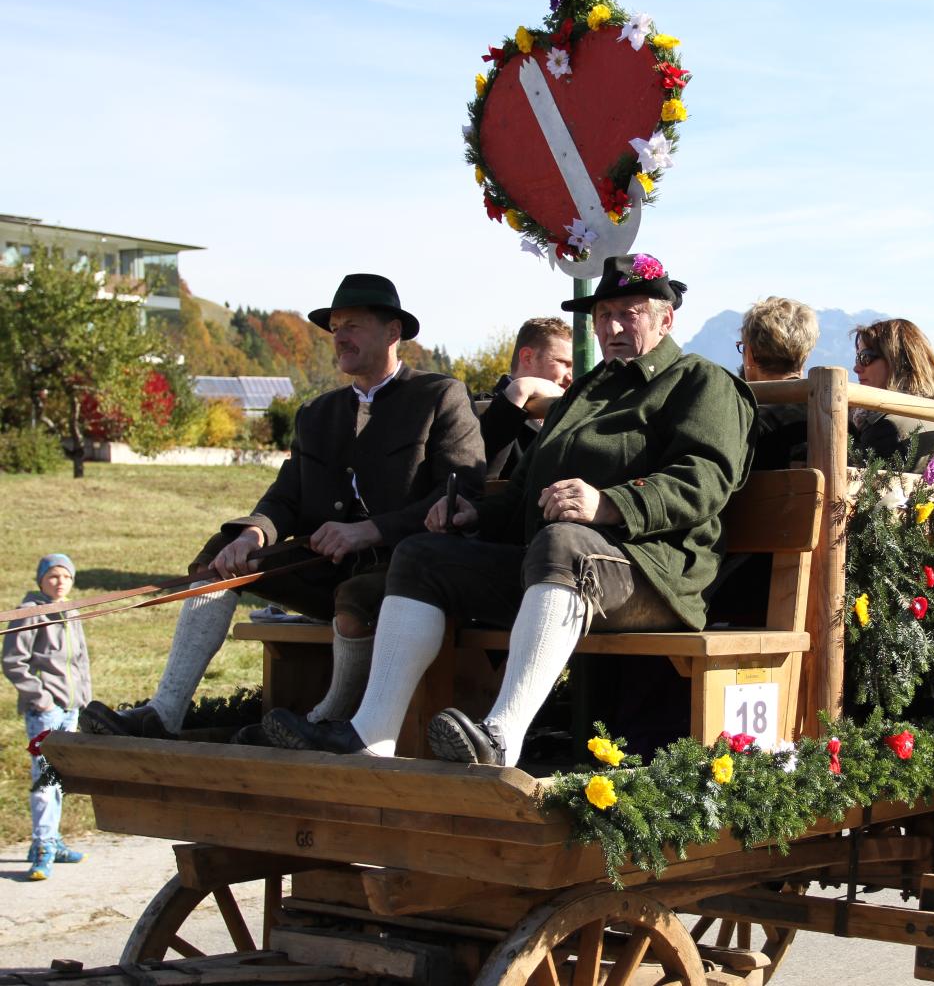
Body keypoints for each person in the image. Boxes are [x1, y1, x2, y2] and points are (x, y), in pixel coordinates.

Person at [263, 253, 757, 766]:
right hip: (554, 566)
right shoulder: (584, 394)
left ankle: (500, 736)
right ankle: (372, 734)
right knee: (421, 556)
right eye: (602, 315)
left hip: (656, 572)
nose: (611, 328)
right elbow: (524, 492)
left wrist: (610, 503)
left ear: (665, 319)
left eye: (627, 314)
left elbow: (705, 479)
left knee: (561, 543)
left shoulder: (701, 382)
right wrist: (474, 516)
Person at [82, 274, 485, 743]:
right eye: (335, 327)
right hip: (322, 565)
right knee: (221, 553)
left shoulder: (439, 395)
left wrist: (370, 530)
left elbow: (460, 491)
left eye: (352, 325)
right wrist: (253, 534)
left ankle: (323, 724)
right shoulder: (316, 413)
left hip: (402, 569)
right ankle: (164, 713)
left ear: (392, 331)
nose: (340, 337)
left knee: (356, 598)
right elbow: (286, 497)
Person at [3, 555, 91, 880]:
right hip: (46, 711)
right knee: (44, 778)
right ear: (40, 580)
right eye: (53, 576)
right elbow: (13, 661)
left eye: (66, 576)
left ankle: (53, 840)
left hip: (71, 707)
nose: (59, 582)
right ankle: (43, 848)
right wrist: (41, 699)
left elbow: (81, 660)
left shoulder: (72, 610)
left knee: (58, 778)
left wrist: (84, 700)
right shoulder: (29, 612)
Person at [850, 319, 934, 470]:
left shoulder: (886, 429)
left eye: (865, 358)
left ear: (898, 361)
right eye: (857, 357)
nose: (856, 368)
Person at [478, 317, 573, 479]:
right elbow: (477, 474)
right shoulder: (475, 410)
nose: (571, 377)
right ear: (527, 357)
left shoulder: (571, 411)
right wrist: (520, 390)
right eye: (563, 363)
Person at [738, 296, 819, 470]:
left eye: (742, 348)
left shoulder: (748, 424)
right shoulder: (840, 421)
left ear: (750, 354)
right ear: (805, 356)